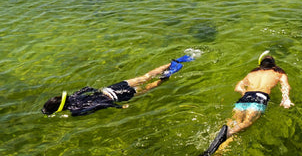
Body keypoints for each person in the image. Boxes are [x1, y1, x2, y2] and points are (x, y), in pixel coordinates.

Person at [183, 52, 292, 156]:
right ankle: (228, 133)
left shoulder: (253, 72)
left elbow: (238, 87)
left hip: (245, 98)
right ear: (273, 65)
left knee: (233, 123)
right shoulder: (279, 72)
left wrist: (244, 93)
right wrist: (285, 99)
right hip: (260, 98)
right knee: (246, 124)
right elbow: (285, 86)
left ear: (260, 64)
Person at [41, 54, 195, 116]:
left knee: (149, 87)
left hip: (117, 97)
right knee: (145, 76)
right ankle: (175, 61)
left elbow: (99, 105)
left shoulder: (75, 111)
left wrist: (119, 107)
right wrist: (97, 90)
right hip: (111, 88)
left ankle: (169, 75)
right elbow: (87, 89)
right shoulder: (73, 96)